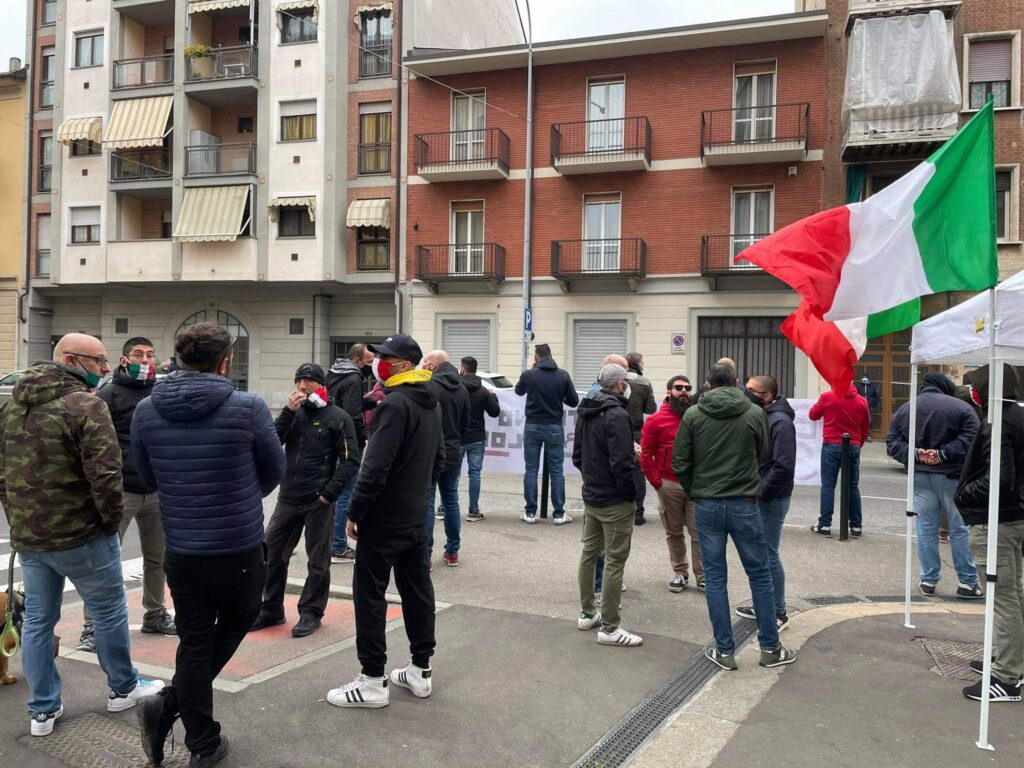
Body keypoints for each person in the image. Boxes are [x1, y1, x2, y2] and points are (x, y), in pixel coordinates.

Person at [133, 322, 285, 767]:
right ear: (225, 362)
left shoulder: (146, 409)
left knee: (195, 641)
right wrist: (237, 493)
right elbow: (274, 470)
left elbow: (145, 476)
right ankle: (174, 707)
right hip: (237, 544)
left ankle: (200, 740)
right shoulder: (247, 406)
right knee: (239, 618)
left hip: (182, 547)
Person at [0, 334, 164, 738]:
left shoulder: (11, 407)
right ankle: (123, 688)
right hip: (83, 535)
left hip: (32, 538)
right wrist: (108, 525)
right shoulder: (85, 405)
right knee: (109, 612)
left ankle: (42, 710)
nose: (107, 369)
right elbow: (106, 476)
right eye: (100, 361)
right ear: (72, 360)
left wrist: (19, 522)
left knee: (38, 620)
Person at [328, 334, 445, 708]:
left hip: (384, 517)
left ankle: (373, 679)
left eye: (388, 358)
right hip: (414, 515)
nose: (380, 363)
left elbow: (374, 466)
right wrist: (421, 496)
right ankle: (420, 670)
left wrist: (355, 511)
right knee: (416, 590)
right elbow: (439, 459)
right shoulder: (430, 401)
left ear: (405, 365)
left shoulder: (394, 404)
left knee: (370, 593)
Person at [672, 363, 796, 671]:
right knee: (760, 574)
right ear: (737, 382)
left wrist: (696, 490)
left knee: (715, 578)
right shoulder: (754, 414)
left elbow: (680, 461)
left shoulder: (693, 414)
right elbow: (763, 452)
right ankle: (770, 648)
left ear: (708, 385)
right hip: (744, 502)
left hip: (707, 503)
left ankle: (724, 650)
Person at [76, 337, 176, 654]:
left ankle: (156, 614)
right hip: (120, 492)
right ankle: (91, 628)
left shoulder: (160, 393)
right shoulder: (107, 395)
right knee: (104, 562)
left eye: (149, 354)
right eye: (138, 354)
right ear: (123, 360)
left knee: (157, 559)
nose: (145, 359)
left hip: (156, 490)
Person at [250, 363, 361, 638]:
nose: (301, 386)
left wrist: (328, 494)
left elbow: (351, 461)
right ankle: (271, 609)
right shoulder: (294, 414)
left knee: (318, 561)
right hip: (288, 497)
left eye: (308, 382)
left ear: (320, 385)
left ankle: (311, 612)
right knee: (271, 554)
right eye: (298, 380)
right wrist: (288, 413)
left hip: (318, 501)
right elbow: (271, 444)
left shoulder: (338, 417)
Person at [955, 364, 1024, 702]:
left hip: (995, 520)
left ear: (981, 392)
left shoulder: (998, 422)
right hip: (1012, 519)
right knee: (1013, 594)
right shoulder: (1017, 416)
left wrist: (964, 495)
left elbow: (1000, 478)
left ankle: (1008, 677)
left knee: (1003, 598)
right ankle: (1012, 663)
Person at [886, 372, 982, 599]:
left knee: (926, 528)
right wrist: (943, 454)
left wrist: (917, 454)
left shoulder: (907, 408)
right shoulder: (961, 408)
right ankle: (968, 582)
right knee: (959, 529)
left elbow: (892, 442)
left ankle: (928, 579)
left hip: (921, 475)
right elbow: (973, 438)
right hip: (952, 475)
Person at [574, 364, 643, 647]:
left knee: (590, 553)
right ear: (619, 385)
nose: (627, 386)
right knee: (614, 560)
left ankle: (587, 612)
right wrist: (629, 494)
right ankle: (610, 627)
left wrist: (593, 480)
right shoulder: (616, 414)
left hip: (592, 494)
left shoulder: (587, 408)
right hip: (614, 498)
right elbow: (621, 462)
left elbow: (578, 455)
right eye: (626, 382)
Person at [735, 375, 796, 631]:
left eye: (751, 390)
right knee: (760, 554)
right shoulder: (765, 416)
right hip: (764, 495)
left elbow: (783, 466)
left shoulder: (780, 422)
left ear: (767, 396)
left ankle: (778, 611)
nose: (745, 393)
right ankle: (764, 604)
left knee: (768, 554)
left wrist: (760, 493)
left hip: (771, 498)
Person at [641, 375, 704, 592]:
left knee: (699, 533)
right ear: (669, 392)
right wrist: (657, 482)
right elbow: (646, 453)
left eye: (687, 388)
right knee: (674, 532)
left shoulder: (697, 418)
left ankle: (702, 576)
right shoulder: (655, 420)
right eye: (679, 388)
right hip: (669, 484)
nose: (684, 391)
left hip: (696, 485)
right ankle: (680, 573)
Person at [515, 344, 579, 524]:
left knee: (531, 470)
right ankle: (559, 514)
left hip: (533, 425)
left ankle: (529, 513)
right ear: (551, 356)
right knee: (557, 471)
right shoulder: (563, 375)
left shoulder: (529, 374)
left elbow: (519, 391)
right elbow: (573, 401)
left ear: (536, 358)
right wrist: (560, 398)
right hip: (554, 426)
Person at [327, 344, 374, 565]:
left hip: (331, 439)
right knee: (347, 492)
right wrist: (358, 441)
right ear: (356, 360)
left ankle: (332, 543)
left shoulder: (335, 372)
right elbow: (353, 414)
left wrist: (371, 401)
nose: (370, 367)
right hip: (348, 443)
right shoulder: (354, 378)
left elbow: (342, 403)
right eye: (368, 362)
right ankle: (338, 547)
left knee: (335, 492)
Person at [422, 350, 470, 567]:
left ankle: (426, 555)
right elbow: (466, 424)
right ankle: (452, 552)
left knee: (429, 502)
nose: (422, 365)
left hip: (431, 450)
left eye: (425, 362)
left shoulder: (430, 386)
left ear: (433, 365)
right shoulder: (461, 388)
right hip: (453, 450)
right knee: (451, 500)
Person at [808, 382, 871, 537]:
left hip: (832, 444)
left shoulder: (828, 397)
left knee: (828, 485)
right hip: (853, 445)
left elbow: (813, 415)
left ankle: (825, 524)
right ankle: (856, 526)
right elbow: (865, 426)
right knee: (853, 486)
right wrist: (858, 444)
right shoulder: (862, 400)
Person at [460, 356, 500, 522]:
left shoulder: (455, 389)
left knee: (451, 474)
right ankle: (473, 510)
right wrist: (494, 397)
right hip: (476, 437)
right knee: (474, 474)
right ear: (476, 370)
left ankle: (444, 508)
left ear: (462, 369)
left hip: (458, 436)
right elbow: (494, 412)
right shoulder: (483, 391)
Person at [625, 353, 657, 526]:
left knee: (616, 467)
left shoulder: (617, 378)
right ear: (638, 364)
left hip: (616, 428)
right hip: (637, 430)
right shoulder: (644, 382)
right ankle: (639, 512)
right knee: (638, 471)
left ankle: (620, 509)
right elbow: (651, 408)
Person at [856, 375, 881, 441]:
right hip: (860, 407)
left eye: (866, 378)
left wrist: (872, 405)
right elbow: (855, 396)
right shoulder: (858, 387)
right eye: (863, 378)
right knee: (859, 420)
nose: (865, 379)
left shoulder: (872, 387)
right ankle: (860, 435)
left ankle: (868, 435)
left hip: (869, 407)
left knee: (870, 421)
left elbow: (877, 397)